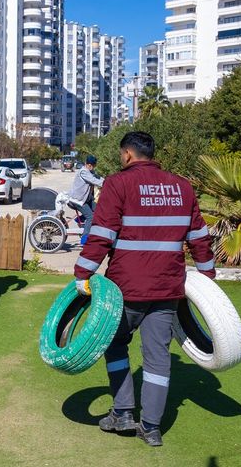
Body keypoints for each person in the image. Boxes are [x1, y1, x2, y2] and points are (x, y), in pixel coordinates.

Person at [72, 132, 215, 447]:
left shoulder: (117, 184)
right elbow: (200, 237)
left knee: (116, 344)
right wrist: (207, 276)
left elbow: (101, 234)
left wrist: (82, 273)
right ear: (151, 154)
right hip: (167, 290)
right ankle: (151, 427)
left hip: (127, 289)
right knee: (157, 357)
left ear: (126, 155)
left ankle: (123, 412)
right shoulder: (182, 186)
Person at [67, 154, 104, 245]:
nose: (91, 167)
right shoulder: (83, 172)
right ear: (86, 164)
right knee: (91, 217)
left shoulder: (91, 172)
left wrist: (110, 181)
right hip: (77, 200)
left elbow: (98, 178)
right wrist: (105, 184)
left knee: (99, 209)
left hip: (86, 200)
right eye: (89, 165)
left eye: (92, 165)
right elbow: (94, 181)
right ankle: (84, 240)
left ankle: (80, 218)